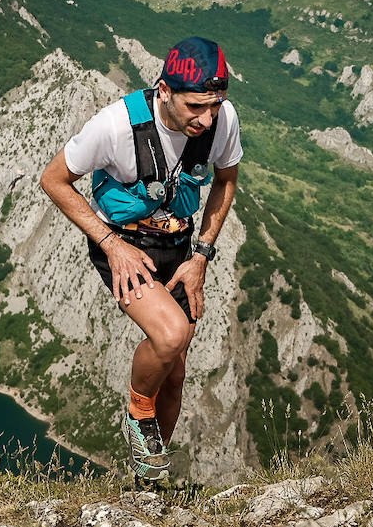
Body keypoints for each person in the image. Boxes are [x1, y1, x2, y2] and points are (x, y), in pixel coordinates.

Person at [40, 36, 242, 483]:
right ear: (164, 90)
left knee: (176, 372)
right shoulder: (115, 127)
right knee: (170, 336)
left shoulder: (221, 120)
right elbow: (53, 180)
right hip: (125, 247)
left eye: (216, 104)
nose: (207, 119)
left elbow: (226, 181)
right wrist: (112, 245)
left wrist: (202, 256)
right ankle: (137, 413)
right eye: (196, 106)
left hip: (180, 247)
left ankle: (148, 481)